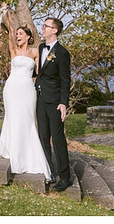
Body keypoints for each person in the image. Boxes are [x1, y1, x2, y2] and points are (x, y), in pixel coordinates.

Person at [0, 13, 52, 179]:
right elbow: (10, 32)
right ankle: (13, 150)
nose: (18, 36)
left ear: (28, 37)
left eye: (21, 34)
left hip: (28, 89)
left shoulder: (35, 52)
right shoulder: (14, 50)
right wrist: (7, 14)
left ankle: (28, 151)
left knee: (27, 119)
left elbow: (39, 72)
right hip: (12, 88)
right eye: (17, 34)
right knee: (13, 118)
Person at [35, 16, 73, 191]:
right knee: (43, 137)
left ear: (54, 30)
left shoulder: (63, 53)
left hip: (55, 102)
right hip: (40, 99)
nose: (42, 28)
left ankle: (65, 177)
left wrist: (63, 103)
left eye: (45, 26)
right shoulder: (41, 47)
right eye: (43, 25)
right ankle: (48, 172)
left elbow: (66, 80)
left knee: (57, 140)